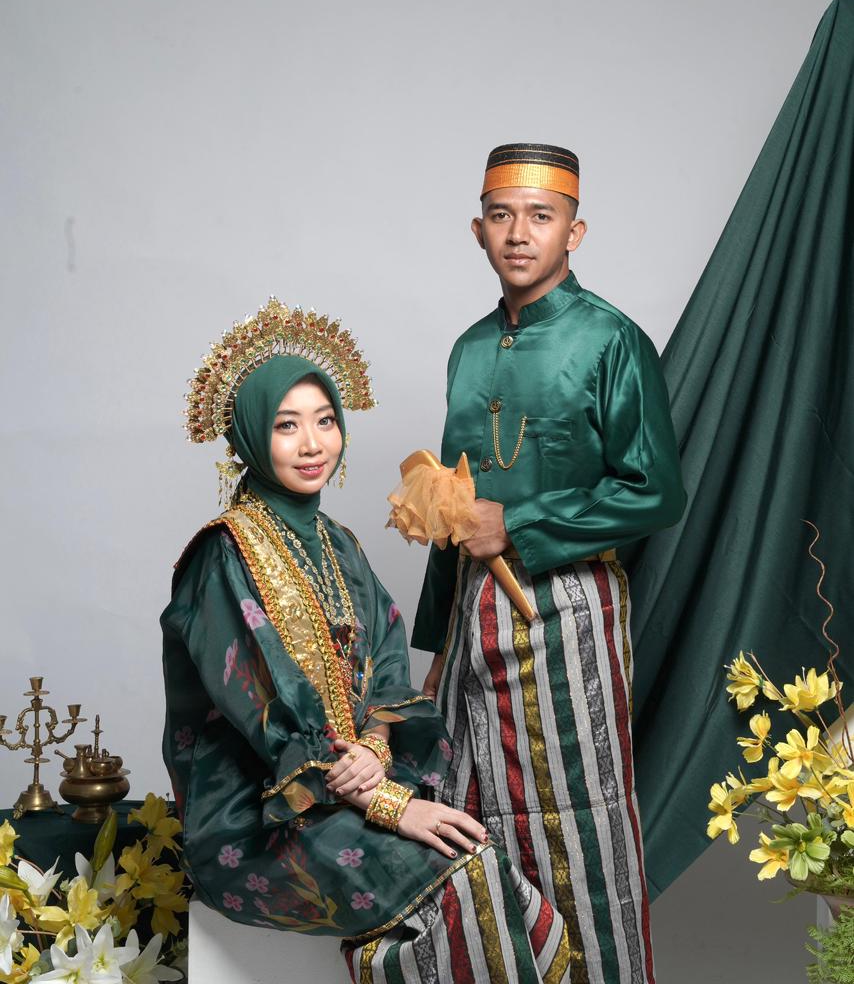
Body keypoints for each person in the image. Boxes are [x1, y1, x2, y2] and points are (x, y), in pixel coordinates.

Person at [162, 299, 573, 982]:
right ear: (248, 436)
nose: (312, 444)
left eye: (325, 421)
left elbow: (386, 661)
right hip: (258, 821)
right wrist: (385, 801)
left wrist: (377, 747)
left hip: (352, 784)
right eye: (287, 425)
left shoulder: (339, 545)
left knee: (497, 860)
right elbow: (268, 710)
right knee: (465, 878)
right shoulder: (224, 556)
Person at [410, 144, 686, 984]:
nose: (519, 234)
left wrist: (522, 521)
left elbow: (655, 492)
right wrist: (437, 641)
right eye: (501, 216)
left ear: (575, 231)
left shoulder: (611, 339)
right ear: (478, 230)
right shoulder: (467, 349)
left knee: (577, 823)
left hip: (567, 612)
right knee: (455, 815)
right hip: (472, 616)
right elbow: (454, 505)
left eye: (541, 216)